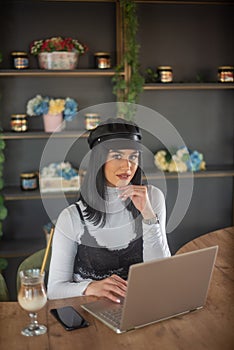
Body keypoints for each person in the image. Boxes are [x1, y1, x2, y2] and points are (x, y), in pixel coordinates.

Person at [47, 118, 171, 303]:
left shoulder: (152, 197)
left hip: (140, 304)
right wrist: (90, 287)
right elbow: (54, 290)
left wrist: (147, 214)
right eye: (117, 156)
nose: (127, 166)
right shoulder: (72, 217)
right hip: (90, 310)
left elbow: (161, 273)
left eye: (133, 157)